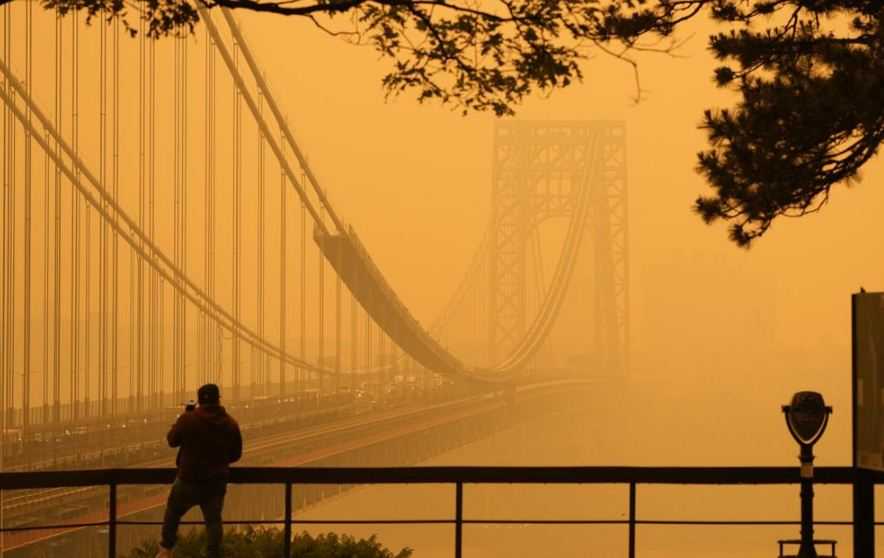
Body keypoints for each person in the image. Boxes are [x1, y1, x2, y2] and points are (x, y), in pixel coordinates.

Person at [156, 384, 242, 558]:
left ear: (199, 400)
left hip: (188, 479)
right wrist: (219, 462)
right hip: (215, 483)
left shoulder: (188, 419)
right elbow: (236, 455)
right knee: (213, 521)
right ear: (219, 399)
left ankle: (166, 549)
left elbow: (172, 440)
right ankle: (212, 554)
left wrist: (186, 415)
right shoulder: (231, 423)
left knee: (173, 511)